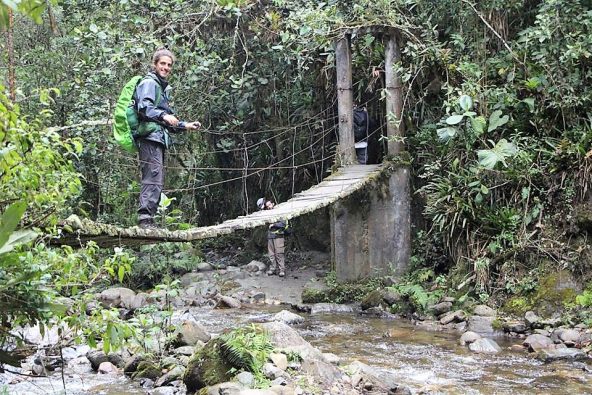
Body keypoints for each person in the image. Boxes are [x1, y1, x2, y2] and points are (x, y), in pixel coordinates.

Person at [135, 48, 201, 229]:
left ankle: (148, 220)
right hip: (149, 138)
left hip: (157, 137)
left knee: (157, 177)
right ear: (155, 64)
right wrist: (163, 116)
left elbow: (168, 119)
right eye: (162, 63)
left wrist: (185, 125)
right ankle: (145, 221)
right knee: (153, 176)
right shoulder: (149, 83)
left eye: (169, 65)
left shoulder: (160, 87)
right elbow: (144, 108)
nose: (165, 67)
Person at [257, 197, 290, 277]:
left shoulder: (280, 212)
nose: (268, 207)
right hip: (270, 236)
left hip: (278, 236)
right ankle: (273, 269)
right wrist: (262, 209)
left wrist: (274, 224)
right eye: (267, 206)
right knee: (271, 254)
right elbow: (260, 216)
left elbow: (283, 224)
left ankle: (282, 270)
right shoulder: (267, 213)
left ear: (273, 204)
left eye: (269, 205)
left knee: (279, 253)